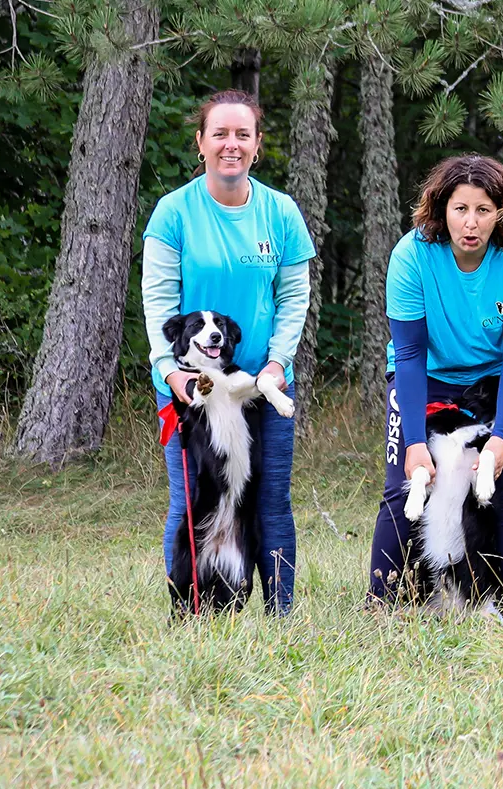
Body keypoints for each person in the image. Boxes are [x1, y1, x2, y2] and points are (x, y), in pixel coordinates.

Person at [143, 89, 314, 613]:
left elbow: (294, 297)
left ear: (258, 145)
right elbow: (157, 302)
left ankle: (281, 614)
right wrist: (173, 376)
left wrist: (278, 363)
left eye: (243, 134)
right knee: (190, 502)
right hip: (192, 389)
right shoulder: (173, 212)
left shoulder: (281, 212)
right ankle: (188, 610)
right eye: (220, 133)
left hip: (262, 385)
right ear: (201, 143)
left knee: (270, 503)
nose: (231, 145)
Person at [366, 155, 503, 606]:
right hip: (426, 377)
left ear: (501, 213)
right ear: (441, 209)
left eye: (484, 210)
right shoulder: (411, 255)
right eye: (460, 209)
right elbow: (408, 354)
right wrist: (414, 442)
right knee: (405, 484)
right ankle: (382, 603)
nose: (471, 223)